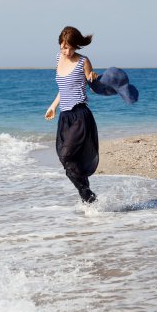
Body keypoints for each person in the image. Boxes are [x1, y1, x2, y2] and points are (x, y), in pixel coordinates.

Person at [45, 26, 99, 203]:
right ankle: (88, 197)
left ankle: (88, 197)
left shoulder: (83, 61)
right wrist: (53, 106)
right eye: (63, 47)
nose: (66, 51)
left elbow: (92, 83)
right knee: (65, 159)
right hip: (64, 117)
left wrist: (94, 77)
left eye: (70, 47)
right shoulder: (58, 58)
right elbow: (63, 88)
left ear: (76, 46)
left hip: (80, 115)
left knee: (67, 155)